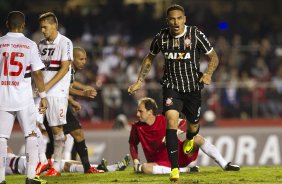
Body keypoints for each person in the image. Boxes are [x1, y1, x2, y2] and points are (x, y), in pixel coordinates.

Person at [128, 4, 219, 181]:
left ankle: (191, 138)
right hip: (171, 87)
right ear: (167, 21)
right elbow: (150, 58)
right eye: (172, 18)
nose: (176, 22)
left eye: (179, 18)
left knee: (192, 126)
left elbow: (214, 56)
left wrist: (208, 74)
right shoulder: (161, 37)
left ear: (184, 19)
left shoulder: (195, 34)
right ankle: (175, 168)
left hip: (192, 88)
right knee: (171, 120)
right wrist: (139, 81)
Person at [129, 97, 239, 175]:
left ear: (150, 111)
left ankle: (225, 165)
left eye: (140, 111)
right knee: (145, 168)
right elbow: (133, 143)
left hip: (179, 154)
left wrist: (173, 133)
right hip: (159, 162)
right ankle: (185, 171)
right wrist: (135, 161)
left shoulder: (164, 119)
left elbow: (185, 123)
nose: (137, 114)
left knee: (198, 139)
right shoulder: (136, 127)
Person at [0, 11, 47, 184]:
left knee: (2, 138)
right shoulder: (29, 45)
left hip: (2, 95)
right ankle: (30, 177)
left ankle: (1, 179)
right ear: (24, 25)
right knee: (31, 134)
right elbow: (37, 73)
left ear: (7, 24)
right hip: (23, 97)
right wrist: (43, 96)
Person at [38, 47, 100, 175]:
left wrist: (75, 97)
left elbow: (69, 84)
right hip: (54, 104)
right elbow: (62, 87)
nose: (84, 61)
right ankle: (48, 167)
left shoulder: (70, 70)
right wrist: (82, 93)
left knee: (73, 134)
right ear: (72, 58)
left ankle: (86, 168)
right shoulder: (65, 68)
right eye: (81, 59)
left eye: (85, 59)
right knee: (59, 137)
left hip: (59, 103)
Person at [37, 12, 73, 176]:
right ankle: (42, 162)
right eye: (41, 27)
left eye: (45, 26)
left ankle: (57, 166)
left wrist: (47, 86)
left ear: (54, 25)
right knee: (36, 126)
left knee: (56, 128)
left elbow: (64, 68)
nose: (43, 30)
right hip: (41, 93)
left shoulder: (65, 42)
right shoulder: (41, 44)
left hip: (57, 92)